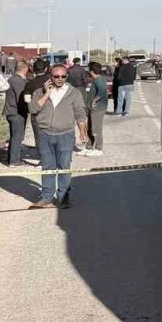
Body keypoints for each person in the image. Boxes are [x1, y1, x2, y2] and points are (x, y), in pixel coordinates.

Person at [28, 64, 89, 209]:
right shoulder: (39, 92)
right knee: (47, 167)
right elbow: (33, 109)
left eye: (63, 76)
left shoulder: (73, 93)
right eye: (56, 76)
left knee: (64, 167)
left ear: (66, 76)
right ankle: (46, 197)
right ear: (50, 76)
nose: (60, 79)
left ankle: (63, 198)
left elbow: (80, 114)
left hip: (65, 135)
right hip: (45, 134)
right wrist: (46, 93)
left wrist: (82, 131)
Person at [23, 59, 51, 155]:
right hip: (52, 112)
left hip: (37, 114)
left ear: (33, 69)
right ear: (46, 68)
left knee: (39, 137)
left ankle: (42, 157)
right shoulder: (52, 81)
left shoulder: (30, 84)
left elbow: (27, 100)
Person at [4, 60, 29, 166]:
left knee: (14, 136)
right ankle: (14, 160)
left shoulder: (11, 79)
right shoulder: (18, 81)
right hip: (17, 112)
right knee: (17, 137)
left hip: (11, 111)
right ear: (25, 69)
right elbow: (22, 98)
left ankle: (11, 158)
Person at [84, 62, 109, 156]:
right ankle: (89, 146)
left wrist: (94, 101)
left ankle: (98, 149)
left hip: (98, 109)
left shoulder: (98, 80)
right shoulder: (98, 79)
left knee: (96, 129)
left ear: (91, 70)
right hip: (93, 109)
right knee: (90, 127)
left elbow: (102, 91)